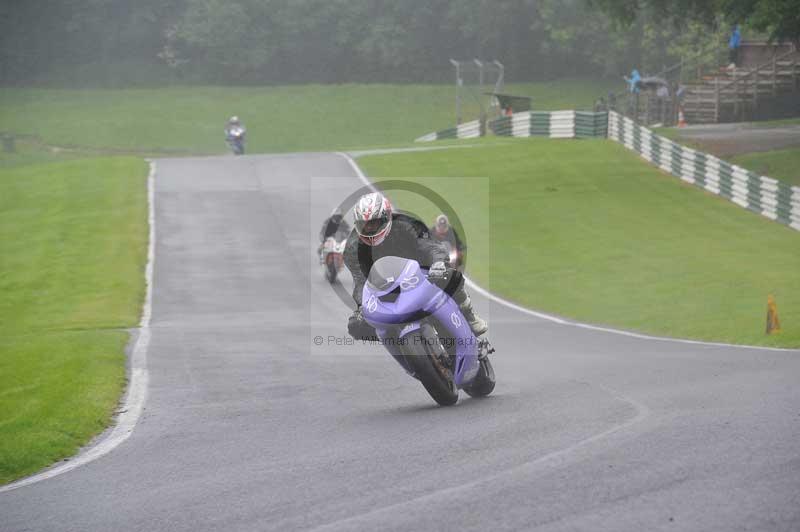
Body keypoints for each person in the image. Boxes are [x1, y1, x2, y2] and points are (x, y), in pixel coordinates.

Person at [344, 192, 488, 339]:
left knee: (450, 275)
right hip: (386, 288)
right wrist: (362, 305)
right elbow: (360, 280)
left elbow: (431, 246)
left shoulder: (408, 224)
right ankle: (396, 341)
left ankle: (469, 315)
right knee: (356, 325)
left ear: (386, 217)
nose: (369, 229)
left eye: (373, 223)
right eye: (364, 225)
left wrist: (438, 263)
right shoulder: (352, 248)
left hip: (423, 273)